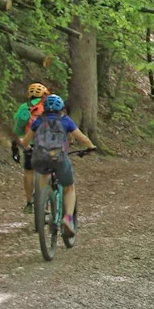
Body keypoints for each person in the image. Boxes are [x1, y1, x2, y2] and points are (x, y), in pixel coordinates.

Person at [20, 94, 96, 237]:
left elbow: (25, 143)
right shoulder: (66, 121)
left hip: (39, 158)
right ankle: (67, 218)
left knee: (43, 175)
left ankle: (42, 202)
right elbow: (83, 139)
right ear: (61, 108)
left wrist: (28, 148)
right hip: (60, 159)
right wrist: (91, 147)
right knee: (69, 188)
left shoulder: (37, 121)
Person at [12, 83, 50, 213]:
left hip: (30, 144)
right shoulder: (50, 105)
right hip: (47, 144)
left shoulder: (24, 108)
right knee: (47, 172)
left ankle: (29, 203)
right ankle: (46, 202)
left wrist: (19, 144)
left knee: (29, 172)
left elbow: (17, 131)